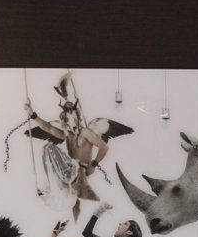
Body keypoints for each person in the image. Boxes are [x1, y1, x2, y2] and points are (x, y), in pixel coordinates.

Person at [13, 74, 131, 222]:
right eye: (67, 118)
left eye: (73, 116)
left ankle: (62, 188)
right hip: (68, 172)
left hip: (81, 171)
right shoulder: (67, 134)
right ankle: (53, 187)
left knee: (53, 153)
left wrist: (94, 164)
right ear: (65, 120)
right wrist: (32, 113)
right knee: (48, 148)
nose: (71, 121)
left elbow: (104, 147)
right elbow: (47, 127)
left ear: (77, 117)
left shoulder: (86, 133)